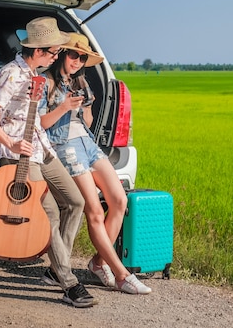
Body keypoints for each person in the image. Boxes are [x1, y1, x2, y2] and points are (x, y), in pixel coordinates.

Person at [0, 17, 96, 308]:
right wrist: (10, 143)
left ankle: (57, 269)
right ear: (40, 50)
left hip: (41, 148)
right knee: (50, 214)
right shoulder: (11, 75)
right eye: (55, 52)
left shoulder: (34, 74)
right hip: (18, 155)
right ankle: (69, 283)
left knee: (76, 201)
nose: (57, 57)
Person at [39, 32, 152, 295]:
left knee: (119, 202)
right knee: (95, 212)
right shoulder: (45, 81)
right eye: (73, 55)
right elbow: (41, 124)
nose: (77, 61)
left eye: (82, 57)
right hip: (64, 146)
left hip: (88, 144)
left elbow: (87, 120)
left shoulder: (81, 82)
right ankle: (122, 275)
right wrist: (65, 107)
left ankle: (99, 262)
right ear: (61, 55)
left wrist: (84, 109)